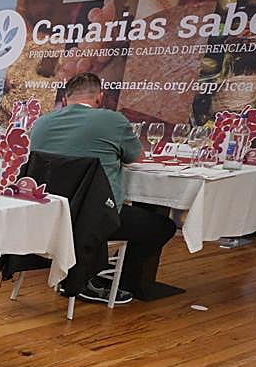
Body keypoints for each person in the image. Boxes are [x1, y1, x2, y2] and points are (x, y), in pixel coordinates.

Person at [29, 71, 175, 303]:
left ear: (65, 99)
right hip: (94, 218)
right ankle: (107, 279)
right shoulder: (113, 120)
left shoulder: (41, 123)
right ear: (100, 97)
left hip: (48, 215)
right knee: (162, 227)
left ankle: (89, 270)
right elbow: (136, 158)